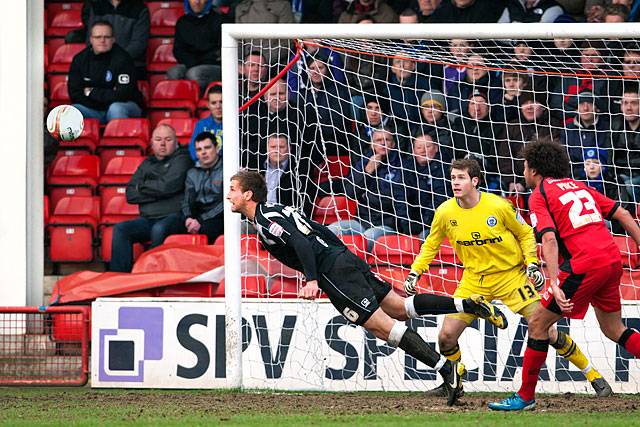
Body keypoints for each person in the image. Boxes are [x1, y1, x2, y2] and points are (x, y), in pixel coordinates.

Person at [227, 169, 510, 406]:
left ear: (248, 195)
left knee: (381, 327)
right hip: (344, 259)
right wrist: (343, 254)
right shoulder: (277, 210)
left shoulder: (266, 221)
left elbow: (302, 243)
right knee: (399, 308)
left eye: (233, 190)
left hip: (333, 273)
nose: (229, 195)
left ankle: (447, 369)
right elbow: (319, 230)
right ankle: (465, 304)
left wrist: (313, 279)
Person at [403, 158, 611, 399]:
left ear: (475, 181)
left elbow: (525, 233)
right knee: (446, 337)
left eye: (460, 178)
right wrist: (415, 271)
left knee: (547, 330)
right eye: (452, 178)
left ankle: (593, 374)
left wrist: (532, 263)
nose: (455, 183)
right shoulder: (445, 212)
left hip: (511, 277)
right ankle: (454, 381)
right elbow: (431, 244)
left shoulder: (499, 206)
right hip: (473, 280)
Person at [488, 139, 640, 411]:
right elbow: (625, 214)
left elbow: (548, 239)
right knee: (613, 329)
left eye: (524, 167)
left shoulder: (540, 194)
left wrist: (554, 282)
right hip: (611, 258)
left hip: (584, 264)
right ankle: (525, 396)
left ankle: (524, 397)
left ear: (534, 170)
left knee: (537, 324)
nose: (523, 172)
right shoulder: (580, 186)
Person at [110, 124, 193, 272]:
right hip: (148, 219)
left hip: (175, 217)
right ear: (151, 142)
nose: (162, 143)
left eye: (167, 139)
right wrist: (158, 190)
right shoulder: (147, 163)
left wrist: (143, 187)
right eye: (158, 139)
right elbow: (130, 194)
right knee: (121, 229)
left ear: (176, 141)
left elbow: (168, 186)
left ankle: (151, 274)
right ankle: (119, 277)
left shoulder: (182, 158)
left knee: (159, 229)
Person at [68, 20, 143, 124]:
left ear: (113, 39)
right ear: (91, 39)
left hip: (124, 106)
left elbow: (123, 94)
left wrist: (90, 92)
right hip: (92, 109)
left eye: (107, 37)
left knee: (115, 108)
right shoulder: (80, 59)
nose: (102, 40)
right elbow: (74, 93)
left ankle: (117, 140)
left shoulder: (124, 59)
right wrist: (107, 94)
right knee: (71, 111)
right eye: (98, 37)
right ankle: (81, 141)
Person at [79, 0, 150, 79]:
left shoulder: (140, 9)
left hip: (131, 66)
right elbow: (92, 38)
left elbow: (138, 44)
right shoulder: (96, 6)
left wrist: (116, 60)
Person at [167, 0, 225, 95]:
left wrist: (198, 62)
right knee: (173, 72)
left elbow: (220, 51)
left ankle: (203, 104)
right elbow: (178, 50)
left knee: (194, 73)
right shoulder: (182, 22)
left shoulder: (219, 20)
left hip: (213, 65)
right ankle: (183, 106)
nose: (197, 2)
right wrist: (192, 62)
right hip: (191, 64)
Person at [182, 132, 224, 244]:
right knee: (170, 226)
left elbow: (225, 204)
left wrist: (200, 220)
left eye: (207, 147)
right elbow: (187, 200)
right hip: (197, 216)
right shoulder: (192, 173)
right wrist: (189, 218)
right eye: (199, 149)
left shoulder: (227, 168)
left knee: (206, 229)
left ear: (217, 148)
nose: (204, 152)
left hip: (220, 217)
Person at [189, 85, 223, 162]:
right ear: (208, 105)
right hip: (204, 167)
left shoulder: (235, 125)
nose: (218, 106)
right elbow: (193, 151)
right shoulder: (201, 125)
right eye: (214, 103)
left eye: (221, 102)